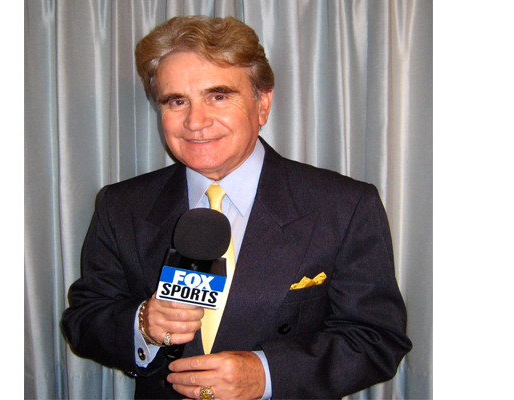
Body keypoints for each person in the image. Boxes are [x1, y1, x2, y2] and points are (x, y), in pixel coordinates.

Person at [62, 15, 412, 400]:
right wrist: (142, 324)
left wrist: (265, 374)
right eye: (177, 101)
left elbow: (377, 339)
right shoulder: (121, 205)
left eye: (218, 96)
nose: (196, 121)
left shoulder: (344, 206)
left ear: (262, 103)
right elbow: (83, 320)